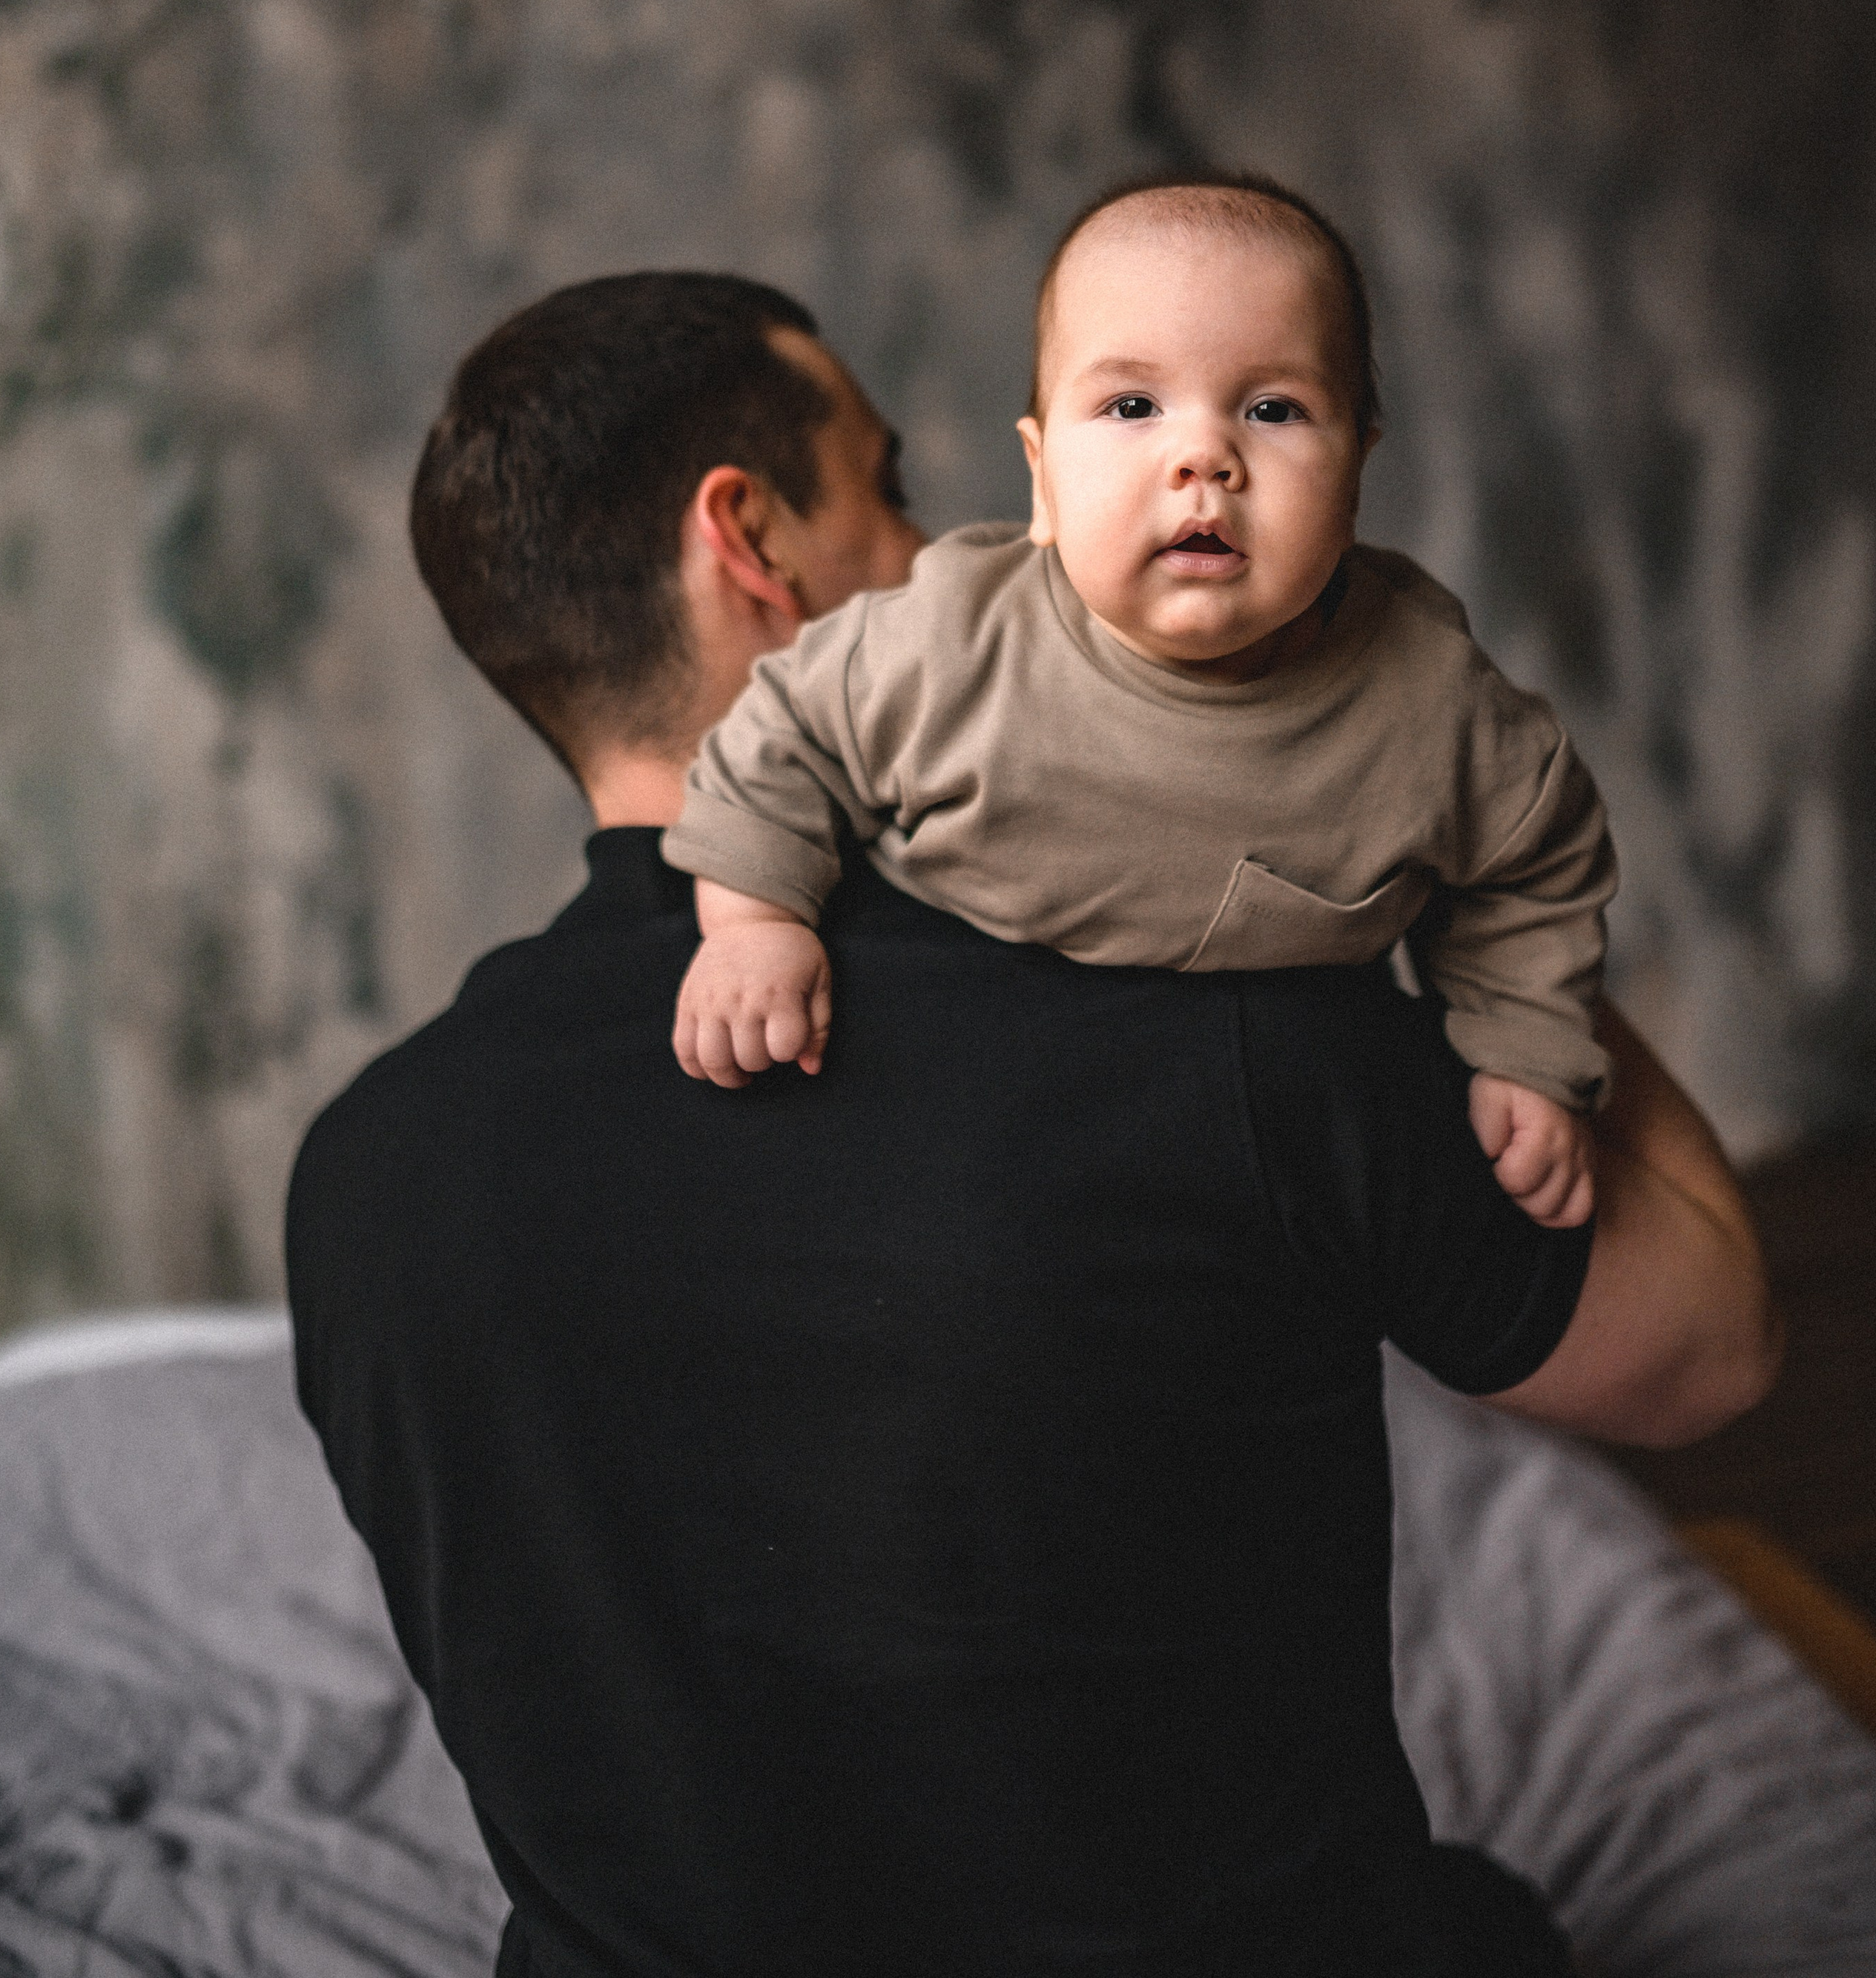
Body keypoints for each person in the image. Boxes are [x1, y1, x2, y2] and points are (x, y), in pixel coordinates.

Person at [286, 268, 1779, 1978]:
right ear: (749, 543)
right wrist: (1442, 816)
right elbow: (1703, 1352)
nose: (957, 543)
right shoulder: (1213, 1011)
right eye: (893, 482)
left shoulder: (364, 1174)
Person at [668, 174, 1608, 1227]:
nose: (1203, 456)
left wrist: (1522, 1048)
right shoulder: (948, 644)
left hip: (1279, 1167)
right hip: (977, 1114)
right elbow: (782, 731)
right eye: (1131, 406)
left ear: (1356, 474)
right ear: (1041, 477)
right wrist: (754, 922)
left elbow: (1541, 859)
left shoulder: (1433, 706)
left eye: (1273, 409)